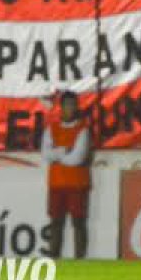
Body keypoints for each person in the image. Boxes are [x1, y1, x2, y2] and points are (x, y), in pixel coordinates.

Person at [41, 91, 91, 259]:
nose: (70, 108)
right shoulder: (51, 129)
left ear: (77, 107)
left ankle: (79, 259)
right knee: (56, 222)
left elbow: (77, 158)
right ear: (61, 107)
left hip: (77, 183)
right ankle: (54, 258)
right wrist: (64, 150)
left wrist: (57, 154)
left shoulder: (83, 130)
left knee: (78, 222)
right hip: (56, 183)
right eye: (67, 105)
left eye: (72, 105)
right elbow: (46, 154)